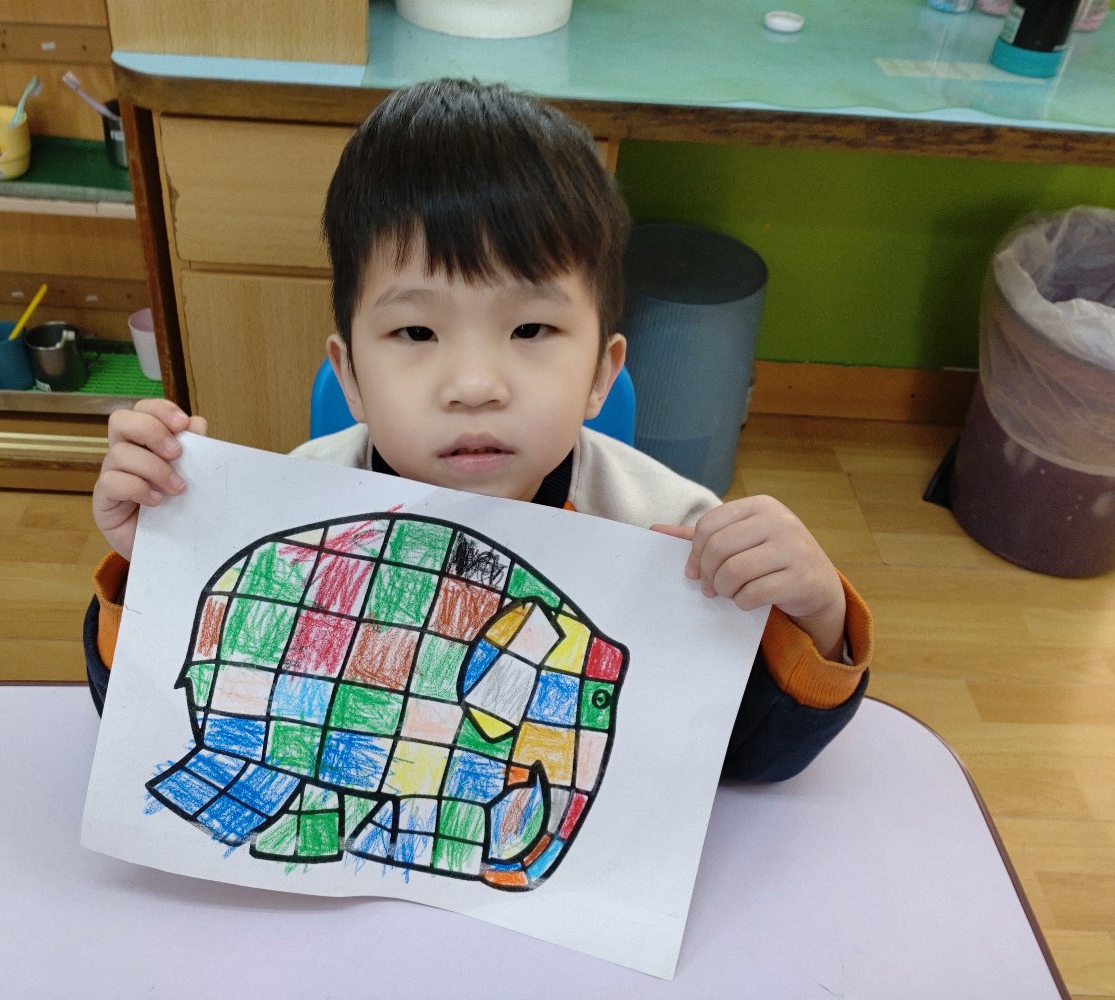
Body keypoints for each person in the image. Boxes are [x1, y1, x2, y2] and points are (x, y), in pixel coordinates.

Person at [87, 78, 871, 781]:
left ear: (601, 372)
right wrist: (155, 571)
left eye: (530, 329)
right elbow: (181, 720)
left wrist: (815, 618)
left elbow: (749, 763)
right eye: (416, 332)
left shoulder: (671, 531)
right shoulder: (290, 520)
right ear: (349, 375)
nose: (473, 386)